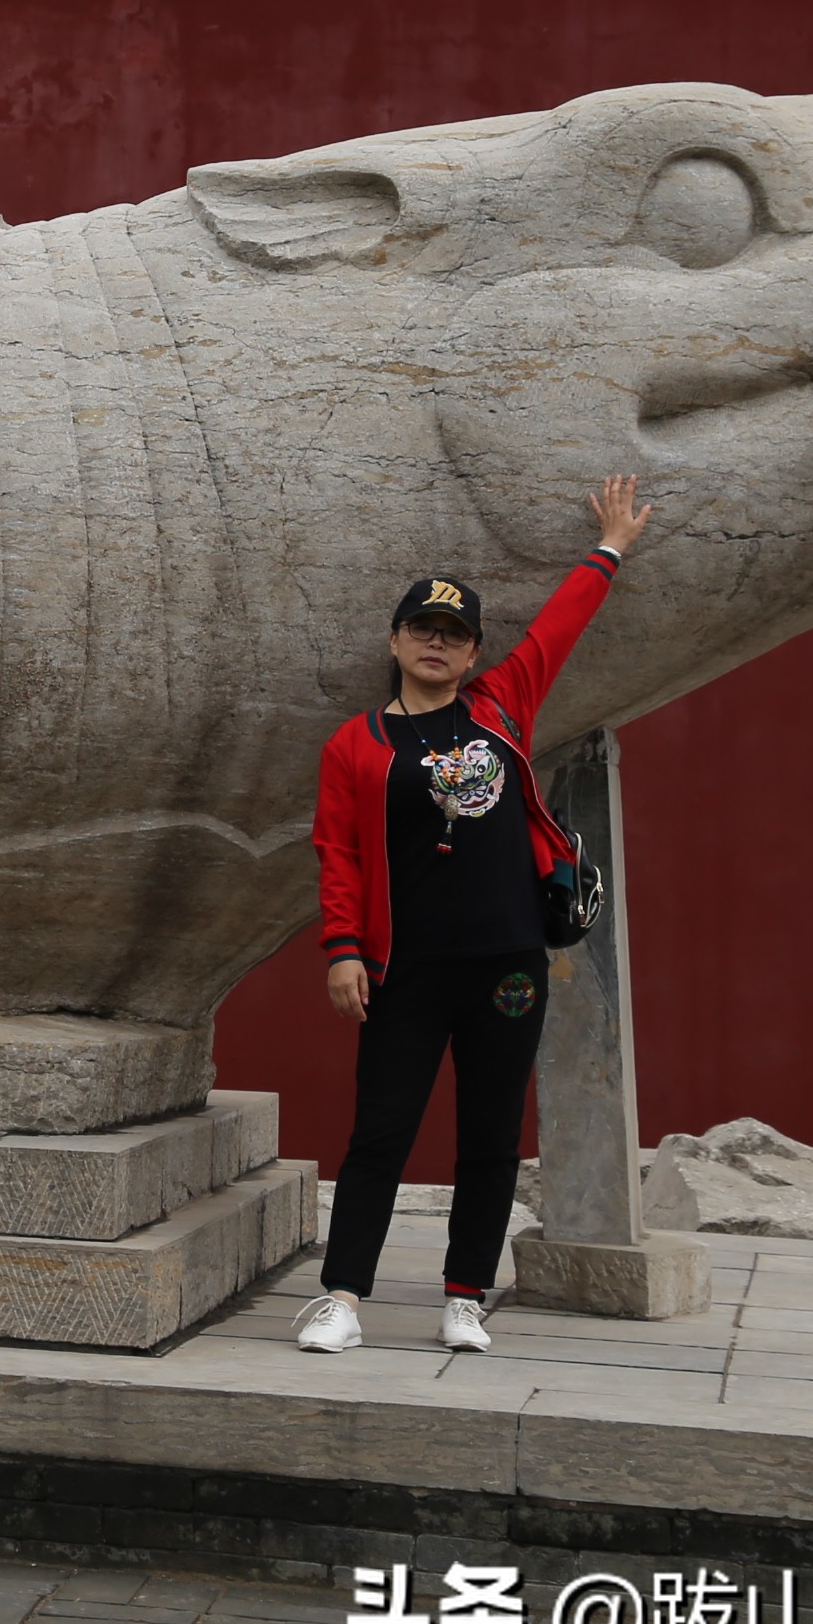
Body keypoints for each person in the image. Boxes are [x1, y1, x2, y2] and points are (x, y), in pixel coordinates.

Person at [293, 475, 655, 1358]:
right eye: (423, 629)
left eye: (453, 636)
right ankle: (342, 1296)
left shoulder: (499, 709)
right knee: (380, 1132)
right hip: (405, 969)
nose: (436, 645)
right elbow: (336, 852)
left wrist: (608, 548)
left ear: (470, 653)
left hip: (508, 965)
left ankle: (464, 1297)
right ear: (396, 639)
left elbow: (558, 629)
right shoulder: (356, 745)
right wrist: (343, 949)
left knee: (491, 1135)